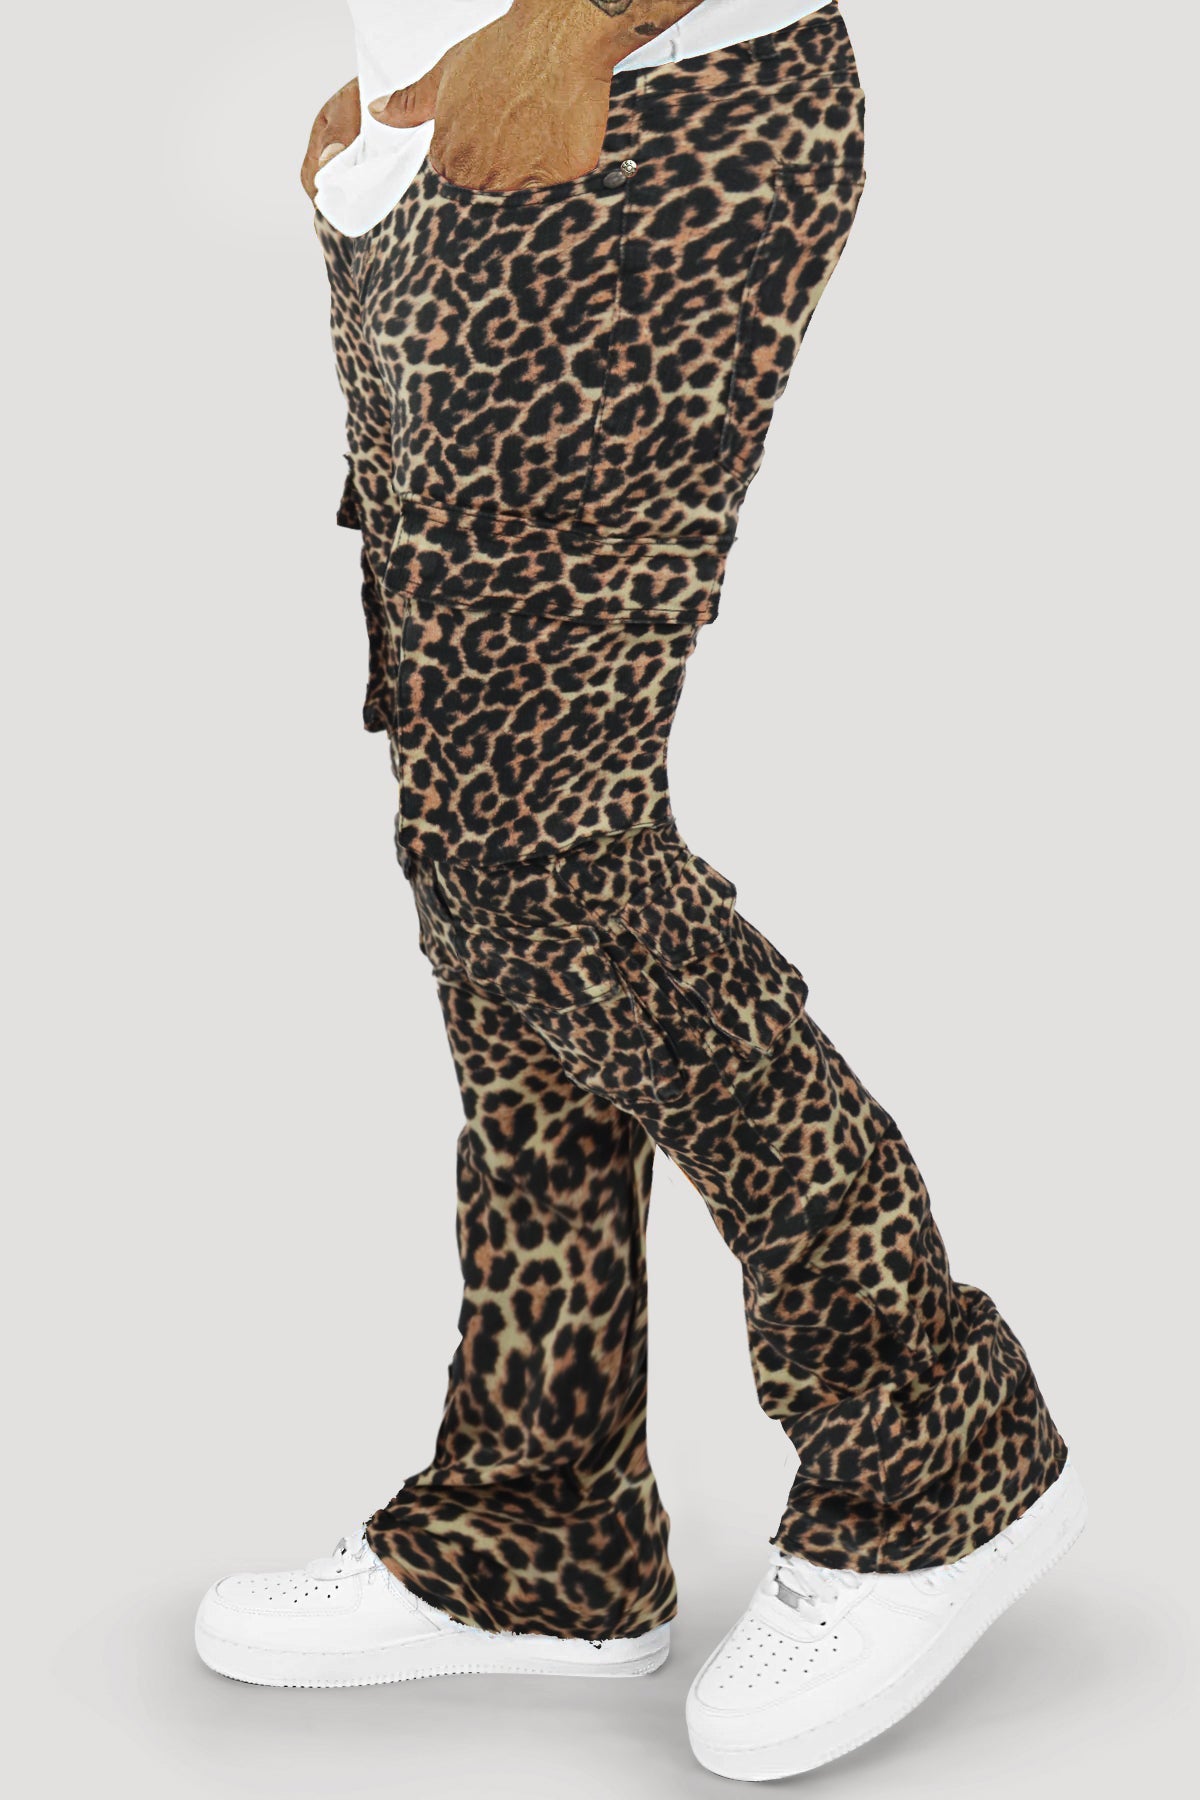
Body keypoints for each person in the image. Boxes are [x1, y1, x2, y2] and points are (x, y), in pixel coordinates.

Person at [195, 0, 1085, 1778]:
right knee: (481, 852)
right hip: (452, 140)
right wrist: (403, 72)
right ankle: (543, 1522)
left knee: (545, 847)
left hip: (647, 103)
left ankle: (937, 1438)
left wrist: (585, 20)